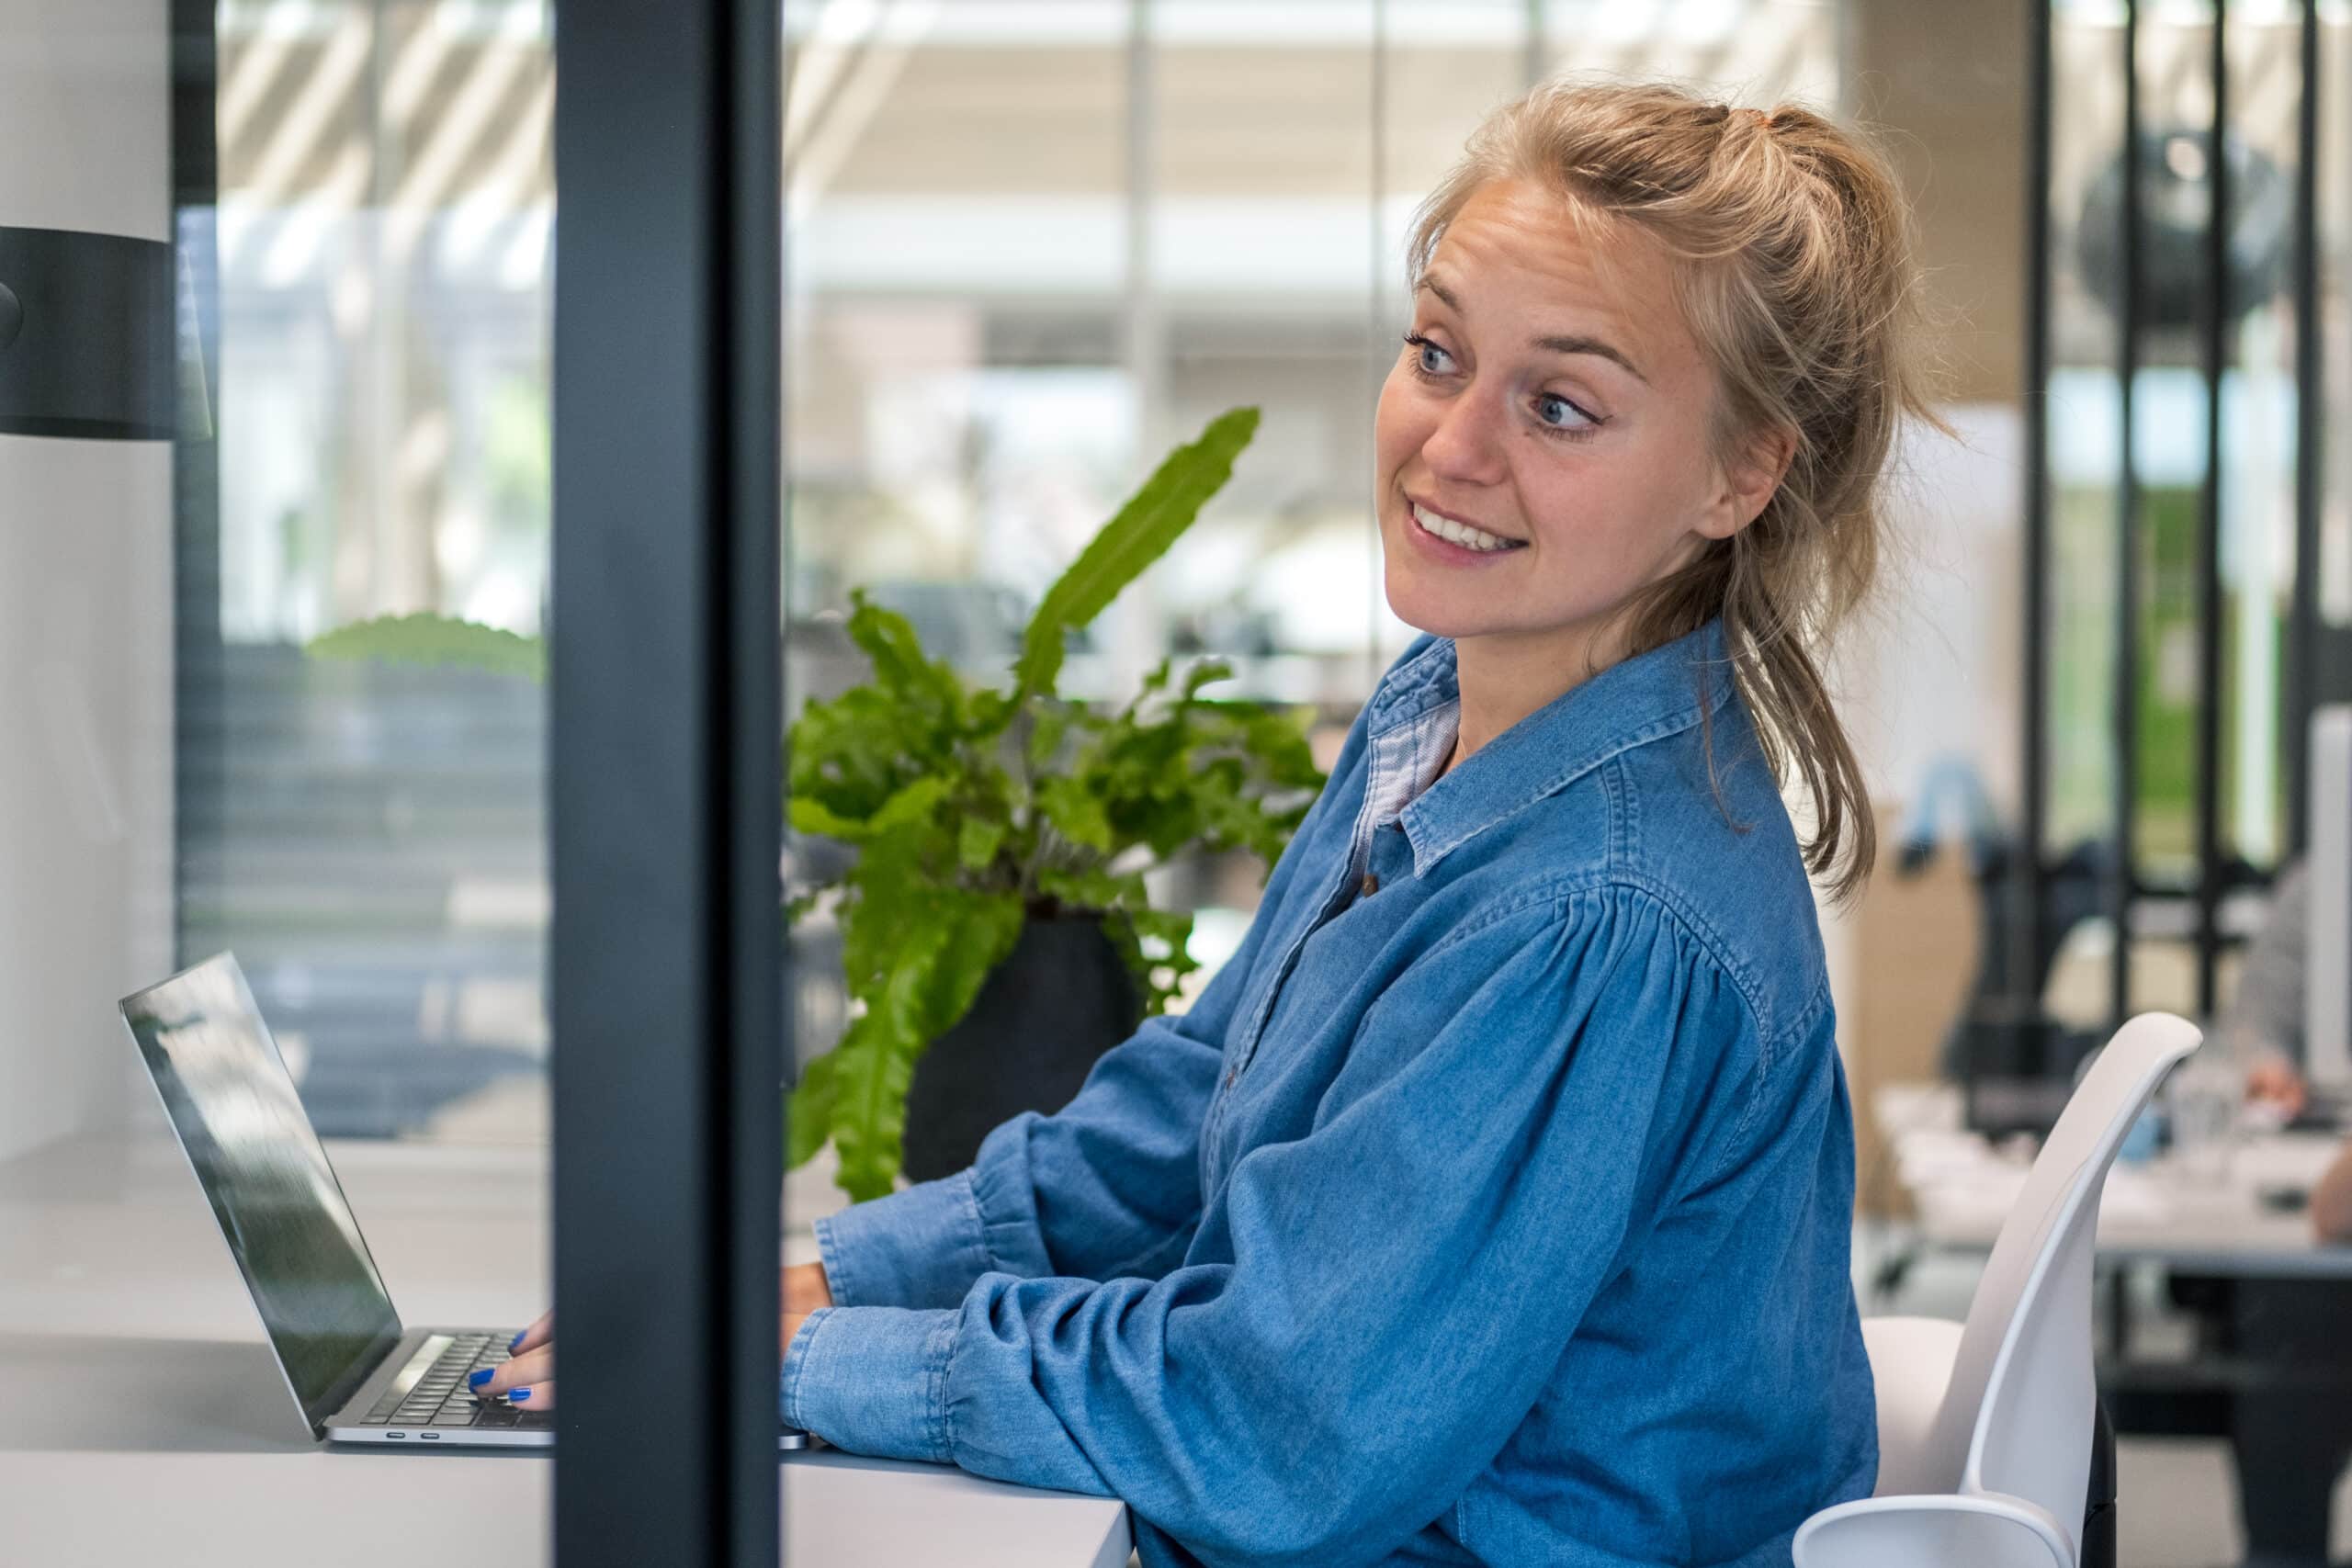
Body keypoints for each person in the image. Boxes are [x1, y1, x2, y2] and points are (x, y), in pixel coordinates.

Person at [488, 77, 1949, 1565]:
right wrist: (830, 1281)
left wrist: (785, 1370)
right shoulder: (1436, 712)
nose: (1450, 446)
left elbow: (1278, 1430)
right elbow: (1195, 1111)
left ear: (1740, 473)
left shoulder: (1594, 915)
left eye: (1558, 405)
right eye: (1438, 354)